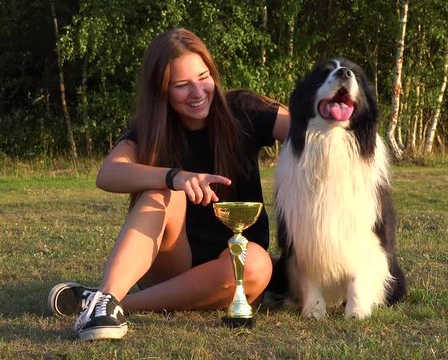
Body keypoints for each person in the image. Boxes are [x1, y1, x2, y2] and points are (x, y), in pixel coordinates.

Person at [47, 28, 290, 341]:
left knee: (255, 262)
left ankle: (106, 303)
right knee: (162, 192)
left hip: (233, 270)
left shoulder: (244, 109)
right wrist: (174, 176)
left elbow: (313, 130)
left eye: (204, 77)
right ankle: (106, 300)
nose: (198, 91)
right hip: (170, 262)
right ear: (161, 89)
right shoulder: (151, 129)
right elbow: (107, 173)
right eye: (181, 85)